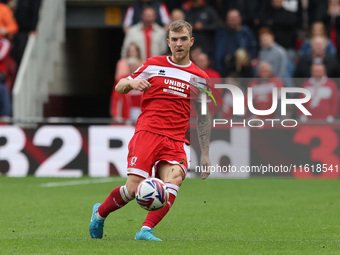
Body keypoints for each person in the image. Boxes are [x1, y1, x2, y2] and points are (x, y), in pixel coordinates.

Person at [89, 20, 211, 241]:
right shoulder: (153, 64)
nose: (179, 44)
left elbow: (203, 117)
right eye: (174, 39)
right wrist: (132, 84)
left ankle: (145, 230)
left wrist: (205, 153)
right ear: (168, 42)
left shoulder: (200, 77)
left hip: (174, 139)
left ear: (191, 42)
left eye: (183, 39)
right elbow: (120, 86)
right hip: (148, 133)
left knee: (174, 179)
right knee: (133, 189)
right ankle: (99, 213)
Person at [214, 9, 257, 76]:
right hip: (226, 70)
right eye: (230, 19)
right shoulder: (221, 34)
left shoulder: (247, 33)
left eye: (234, 19)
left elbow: (253, 50)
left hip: (244, 70)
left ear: (240, 19)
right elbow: (218, 55)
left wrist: (249, 60)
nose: (232, 21)